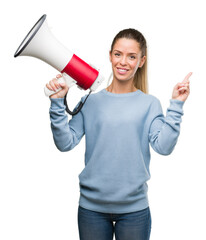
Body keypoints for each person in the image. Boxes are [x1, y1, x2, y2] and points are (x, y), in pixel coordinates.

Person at [46, 28, 191, 240]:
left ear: (141, 61)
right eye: (118, 54)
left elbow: (164, 147)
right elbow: (65, 143)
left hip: (135, 211)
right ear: (110, 56)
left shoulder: (150, 104)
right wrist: (57, 102)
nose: (123, 62)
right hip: (91, 209)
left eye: (131, 56)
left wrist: (176, 104)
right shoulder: (91, 101)